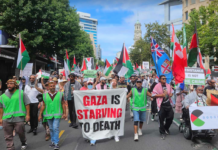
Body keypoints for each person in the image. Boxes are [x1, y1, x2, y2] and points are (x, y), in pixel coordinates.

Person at [0, 79, 30, 150]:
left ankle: (23, 142)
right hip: (6, 118)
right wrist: (0, 118)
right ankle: (10, 147)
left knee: (20, 132)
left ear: (15, 85)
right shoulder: (2, 96)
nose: (9, 85)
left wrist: (28, 115)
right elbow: (1, 108)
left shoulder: (21, 93)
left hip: (19, 117)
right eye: (8, 84)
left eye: (11, 83)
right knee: (7, 135)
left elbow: (27, 104)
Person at [38, 81, 66, 150]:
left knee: (55, 128)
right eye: (51, 86)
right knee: (51, 128)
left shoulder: (60, 94)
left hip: (57, 114)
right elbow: (43, 105)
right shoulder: (44, 95)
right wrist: (40, 115)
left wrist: (65, 113)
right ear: (48, 87)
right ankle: (53, 141)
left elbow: (63, 103)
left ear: (55, 86)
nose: (52, 87)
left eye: (53, 86)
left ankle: (56, 143)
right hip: (48, 114)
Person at [152, 75, 174, 140]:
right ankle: (162, 132)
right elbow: (153, 95)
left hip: (168, 104)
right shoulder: (157, 86)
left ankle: (166, 128)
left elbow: (172, 92)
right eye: (163, 78)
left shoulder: (168, 85)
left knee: (171, 117)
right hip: (161, 105)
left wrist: (171, 94)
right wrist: (161, 95)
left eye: (165, 78)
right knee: (161, 119)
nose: (164, 79)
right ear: (160, 79)